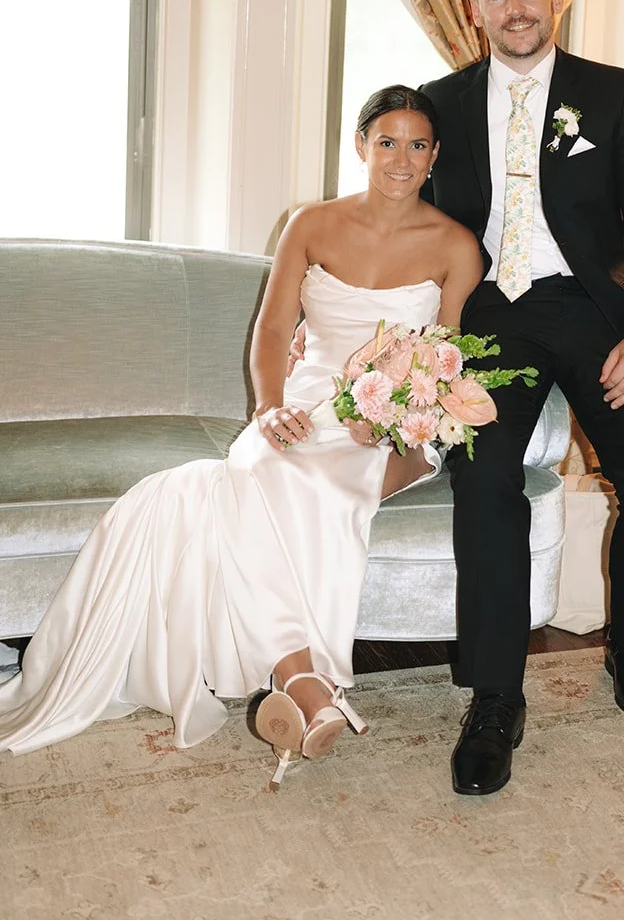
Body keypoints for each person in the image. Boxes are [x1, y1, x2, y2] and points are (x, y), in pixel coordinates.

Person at [0, 87, 483, 782]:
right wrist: (268, 407)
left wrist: (399, 415)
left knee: (316, 481)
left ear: (434, 155)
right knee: (254, 471)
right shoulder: (311, 223)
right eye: (386, 142)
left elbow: (449, 354)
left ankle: (305, 686)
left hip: (393, 426)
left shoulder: (454, 244)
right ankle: (307, 685)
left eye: (416, 145)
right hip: (303, 402)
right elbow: (272, 328)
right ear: (360, 146)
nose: (400, 159)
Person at [420, 0, 624, 797]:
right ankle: (496, 698)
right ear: (474, 11)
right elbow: (417, 226)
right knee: (485, 476)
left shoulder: (611, 94)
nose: (515, 8)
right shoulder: (440, 104)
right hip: (493, 317)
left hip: (594, 310)